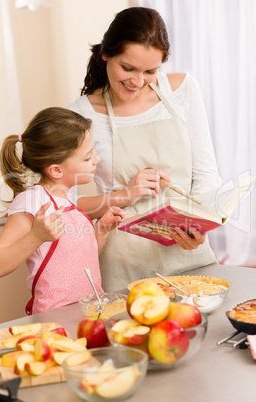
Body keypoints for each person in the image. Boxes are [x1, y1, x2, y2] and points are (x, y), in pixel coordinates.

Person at [67, 7, 222, 291]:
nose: (137, 82)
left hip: (188, 255)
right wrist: (123, 195)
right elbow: (65, 205)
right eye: (128, 68)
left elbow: (207, 175)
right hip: (124, 269)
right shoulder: (80, 115)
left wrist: (198, 227)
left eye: (150, 71)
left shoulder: (183, 90)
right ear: (105, 55)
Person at [0, 107, 127, 314]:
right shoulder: (32, 201)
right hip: (54, 318)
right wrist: (36, 236)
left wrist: (102, 230)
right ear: (56, 170)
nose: (96, 159)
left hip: (88, 311)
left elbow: (79, 263)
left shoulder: (68, 201)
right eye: (88, 156)